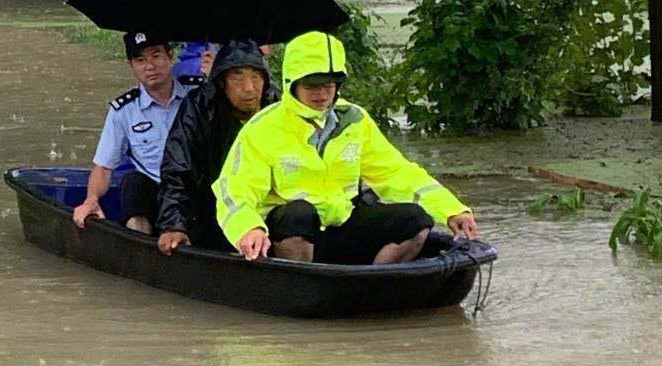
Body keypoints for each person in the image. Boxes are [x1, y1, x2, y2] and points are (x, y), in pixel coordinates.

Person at [214, 31, 478, 264]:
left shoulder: (355, 119)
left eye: (328, 85)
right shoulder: (264, 127)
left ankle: (376, 283)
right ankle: (300, 285)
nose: (321, 94)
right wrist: (249, 229)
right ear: (291, 84)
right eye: (312, 85)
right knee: (299, 213)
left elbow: (397, 173)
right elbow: (234, 191)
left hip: (343, 224)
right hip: (291, 232)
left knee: (416, 220)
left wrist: (451, 209)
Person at [157, 40, 280, 255]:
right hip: (211, 209)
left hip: (268, 213)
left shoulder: (279, 107)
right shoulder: (200, 107)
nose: (249, 87)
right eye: (238, 77)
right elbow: (178, 169)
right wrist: (174, 225)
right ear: (222, 82)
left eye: (256, 77)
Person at [73, 32, 200, 234]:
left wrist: (216, 80)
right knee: (132, 183)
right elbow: (104, 167)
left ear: (170, 55)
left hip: (197, 190)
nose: (149, 66)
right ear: (131, 66)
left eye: (156, 56)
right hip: (155, 194)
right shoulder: (123, 111)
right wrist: (91, 200)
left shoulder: (199, 94)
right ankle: (141, 242)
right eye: (140, 60)